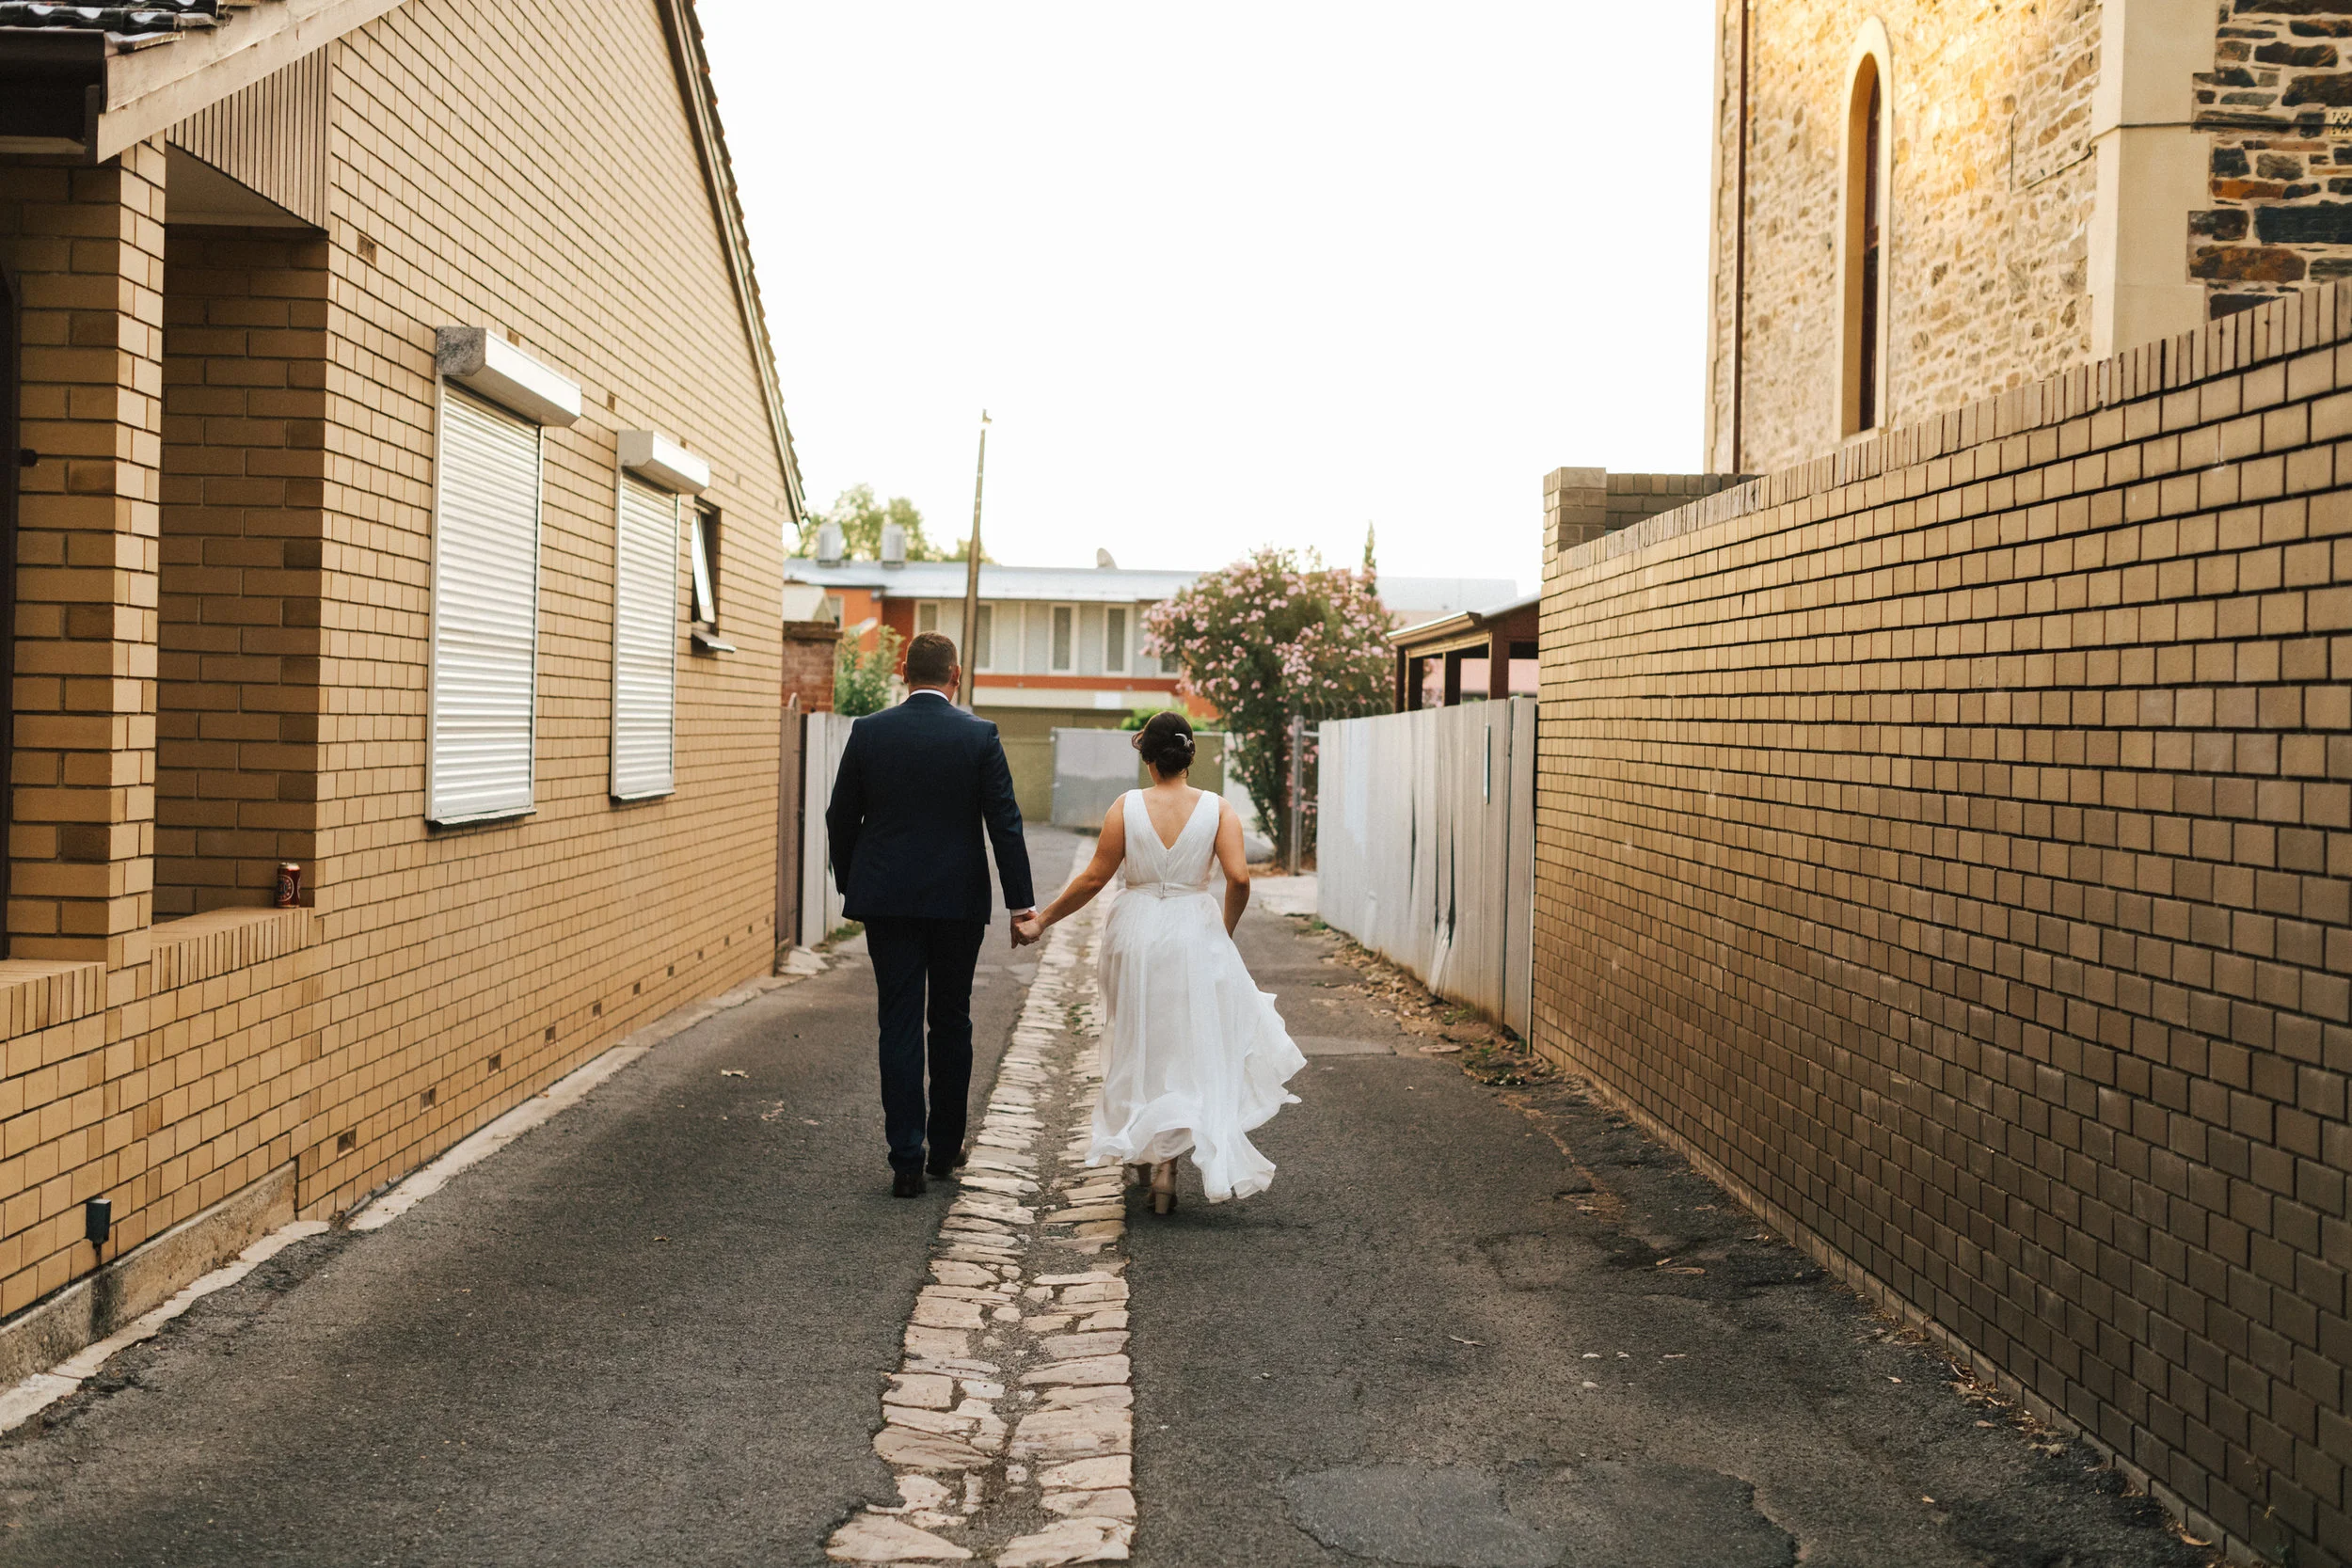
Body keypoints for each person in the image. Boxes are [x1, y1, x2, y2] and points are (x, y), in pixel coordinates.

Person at [1015, 711, 1304, 1212]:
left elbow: (1093, 878)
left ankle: (1145, 1155)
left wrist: (1042, 922)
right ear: (1188, 757)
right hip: (1194, 930)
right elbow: (1239, 879)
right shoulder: (1218, 809)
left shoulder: (1126, 807)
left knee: (1138, 1039)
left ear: (1148, 758)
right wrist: (1223, 932)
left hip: (1135, 931)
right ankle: (1167, 1167)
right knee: (1184, 1045)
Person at [826, 631, 1039, 1198]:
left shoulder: (869, 732)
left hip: (887, 901)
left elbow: (840, 817)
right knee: (950, 1019)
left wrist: (853, 884)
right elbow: (1005, 822)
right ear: (956, 675)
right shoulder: (979, 736)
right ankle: (944, 1148)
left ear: (903, 671)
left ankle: (905, 1159)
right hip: (956, 903)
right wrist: (1021, 904)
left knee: (897, 1021)